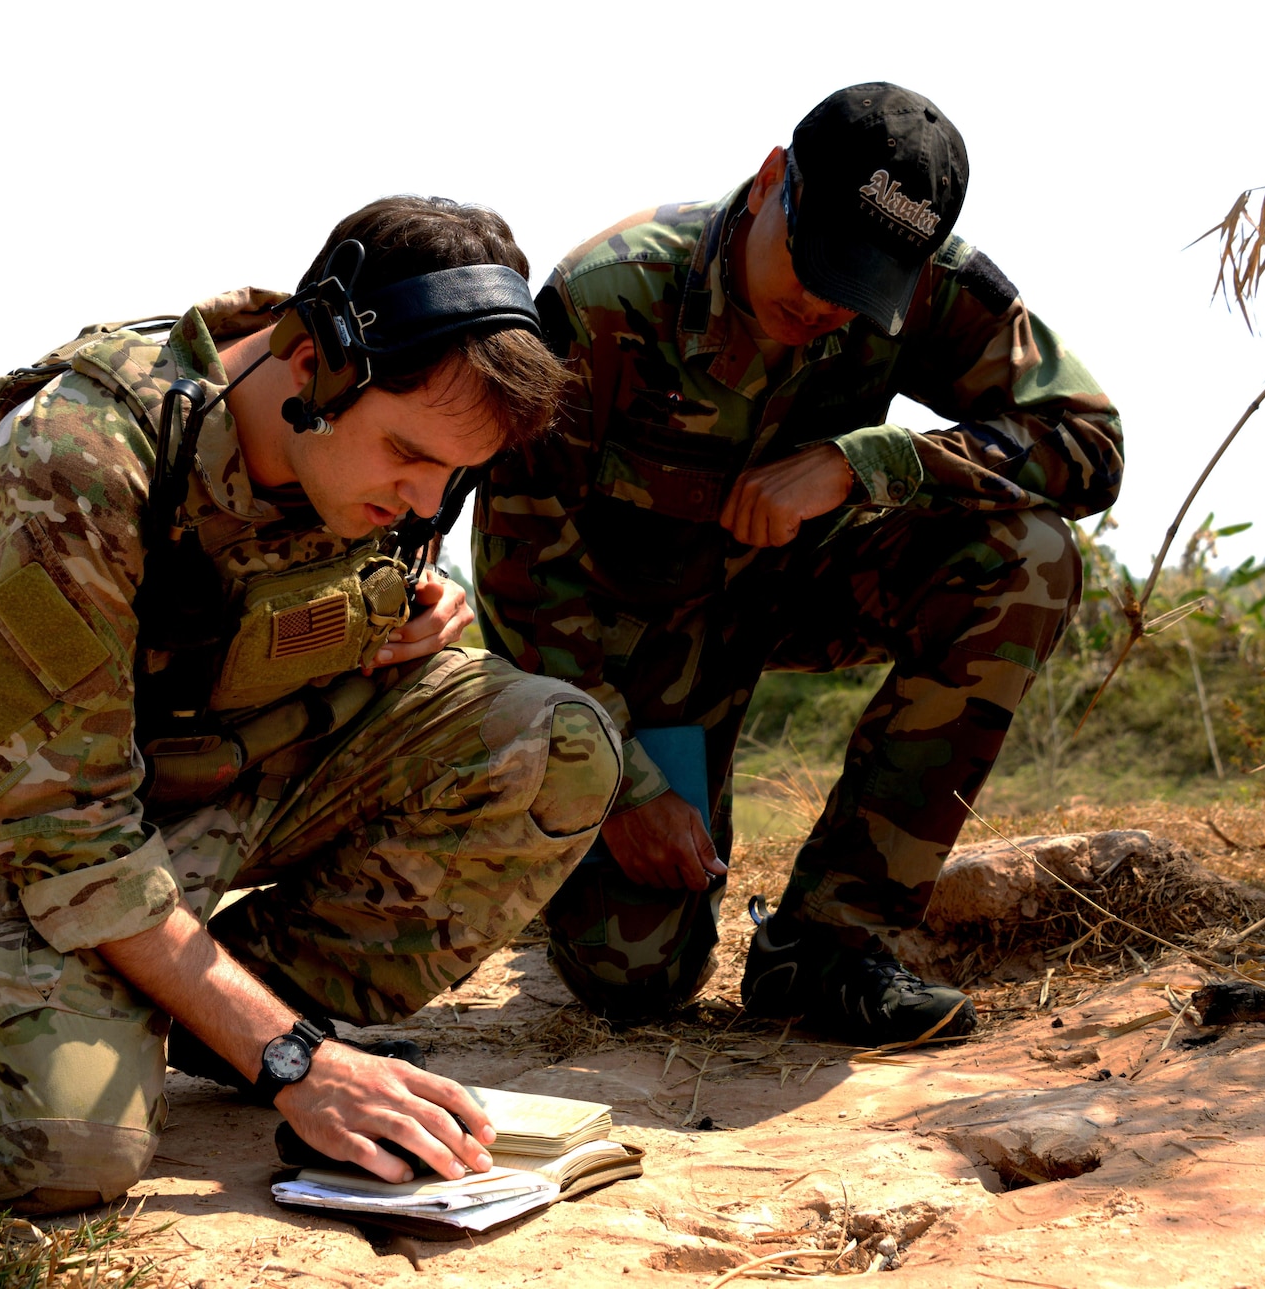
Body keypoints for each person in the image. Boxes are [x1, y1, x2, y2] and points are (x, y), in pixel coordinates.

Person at [0, 197, 622, 1214]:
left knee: (553, 740)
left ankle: (199, 1018)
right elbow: (62, 822)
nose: (425, 503)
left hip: (256, 756)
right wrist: (291, 1062)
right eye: (408, 458)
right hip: (73, 809)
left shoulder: (385, 454)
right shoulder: (77, 461)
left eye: (453, 475)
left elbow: (319, 590)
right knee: (62, 1148)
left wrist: (398, 613)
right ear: (310, 363)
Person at [475, 83, 1122, 1045]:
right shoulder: (609, 295)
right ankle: (558, 868)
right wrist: (620, 785)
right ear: (776, 181)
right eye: (818, 265)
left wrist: (868, 462)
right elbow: (524, 573)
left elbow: (1088, 444)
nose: (826, 305)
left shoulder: (934, 281)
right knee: (641, 977)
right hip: (640, 643)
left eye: (861, 289)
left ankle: (829, 942)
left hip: (804, 584)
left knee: (1026, 557)